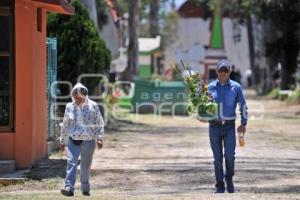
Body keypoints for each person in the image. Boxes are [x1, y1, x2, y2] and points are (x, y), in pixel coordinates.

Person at [207, 60, 248, 193]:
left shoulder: (236, 87)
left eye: (225, 71)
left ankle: (229, 178)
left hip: (230, 126)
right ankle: (219, 185)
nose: (223, 73)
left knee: (230, 155)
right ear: (217, 72)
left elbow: (243, 105)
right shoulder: (210, 87)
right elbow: (203, 107)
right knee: (217, 158)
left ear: (229, 72)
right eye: (220, 71)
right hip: (214, 126)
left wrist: (243, 123)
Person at [60, 83, 104, 197]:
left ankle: (85, 188)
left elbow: (99, 122)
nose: (77, 99)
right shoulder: (69, 106)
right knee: (71, 163)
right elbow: (65, 124)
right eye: (75, 97)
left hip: (89, 141)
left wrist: (100, 138)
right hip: (73, 140)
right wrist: (62, 141)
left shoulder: (93, 105)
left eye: (79, 97)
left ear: (85, 95)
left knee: (85, 165)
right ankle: (69, 188)